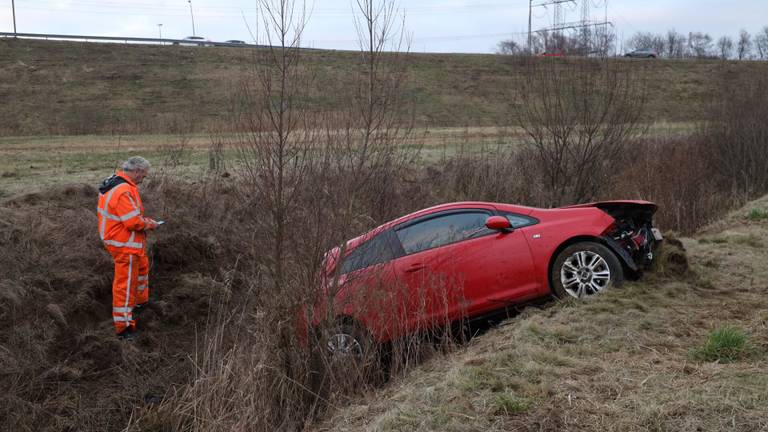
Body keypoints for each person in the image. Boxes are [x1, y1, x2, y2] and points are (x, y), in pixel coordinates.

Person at [97, 156, 159, 340]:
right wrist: (151, 224)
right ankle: (124, 328)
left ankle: (141, 303)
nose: (143, 180)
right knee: (125, 285)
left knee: (142, 269)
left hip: (126, 241)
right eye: (143, 176)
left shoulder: (116, 182)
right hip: (124, 244)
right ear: (137, 171)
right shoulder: (123, 190)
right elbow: (132, 221)